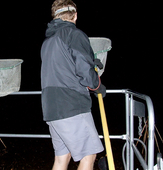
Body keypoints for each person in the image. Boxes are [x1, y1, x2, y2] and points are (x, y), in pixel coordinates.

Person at [40, 0, 106, 169]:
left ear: (55, 16)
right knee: (88, 155)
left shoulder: (48, 42)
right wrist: (97, 86)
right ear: (75, 15)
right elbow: (84, 71)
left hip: (51, 108)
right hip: (71, 105)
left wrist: (90, 61)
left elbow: (66, 64)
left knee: (62, 157)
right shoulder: (74, 34)